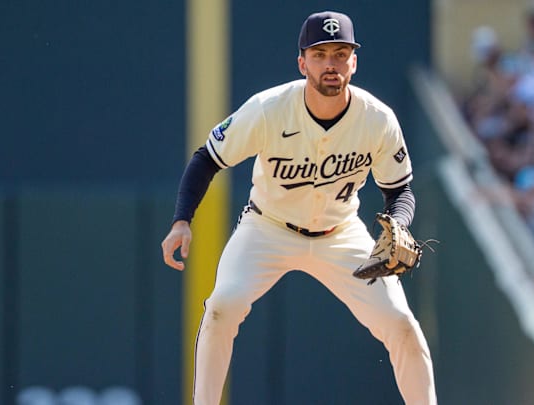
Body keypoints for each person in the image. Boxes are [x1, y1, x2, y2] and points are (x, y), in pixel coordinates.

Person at [160, 11, 437, 405]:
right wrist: (181, 220)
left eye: (340, 53)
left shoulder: (377, 119)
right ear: (302, 62)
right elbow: (207, 157)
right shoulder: (269, 108)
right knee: (222, 307)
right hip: (267, 228)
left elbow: (400, 188)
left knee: (402, 325)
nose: (331, 64)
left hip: (341, 233)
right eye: (320, 54)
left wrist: (399, 223)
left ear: (354, 62)